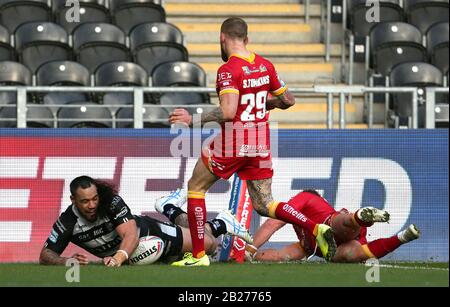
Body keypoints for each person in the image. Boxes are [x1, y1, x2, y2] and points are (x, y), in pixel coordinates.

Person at [168, 17, 336, 266]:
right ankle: (315, 228)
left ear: (222, 38)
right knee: (264, 203)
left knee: (196, 187)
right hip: (260, 142)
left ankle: (199, 256)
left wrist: (192, 119)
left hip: (234, 141)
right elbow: (288, 100)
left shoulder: (228, 70)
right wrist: (260, 101)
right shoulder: (265, 65)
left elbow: (227, 112)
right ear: (246, 39)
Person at [39, 176, 252, 266]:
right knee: (180, 257)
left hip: (149, 233)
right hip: (130, 258)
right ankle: (173, 207)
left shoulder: (111, 202)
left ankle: (219, 223)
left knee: (208, 245)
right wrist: (66, 262)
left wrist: (117, 259)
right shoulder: (67, 221)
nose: (92, 205)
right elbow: (45, 254)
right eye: (85, 201)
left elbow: (130, 234)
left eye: (94, 199)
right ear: (73, 200)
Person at [244, 190, 421, 263]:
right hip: (327, 245)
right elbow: (278, 254)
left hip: (332, 225)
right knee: (352, 253)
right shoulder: (304, 244)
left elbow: (273, 221)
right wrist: (252, 256)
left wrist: (250, 248)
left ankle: (359, 218)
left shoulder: (306, 197)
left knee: (336, 224)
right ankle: (402, 236)